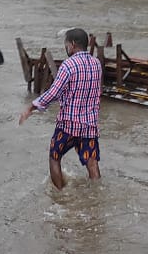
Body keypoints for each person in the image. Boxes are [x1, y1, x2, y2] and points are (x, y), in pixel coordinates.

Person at [19, 28, 102, 190]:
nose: (66, 48)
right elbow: (97, 92)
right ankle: (97, 195)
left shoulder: (68, 65)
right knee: (92, 163)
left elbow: (53, 93)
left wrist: (31, 107)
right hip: (89, 126)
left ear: (72, 45)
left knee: (54, 157)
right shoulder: (96, 63)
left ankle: (60, 194)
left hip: (68, 125)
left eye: (66, 44)